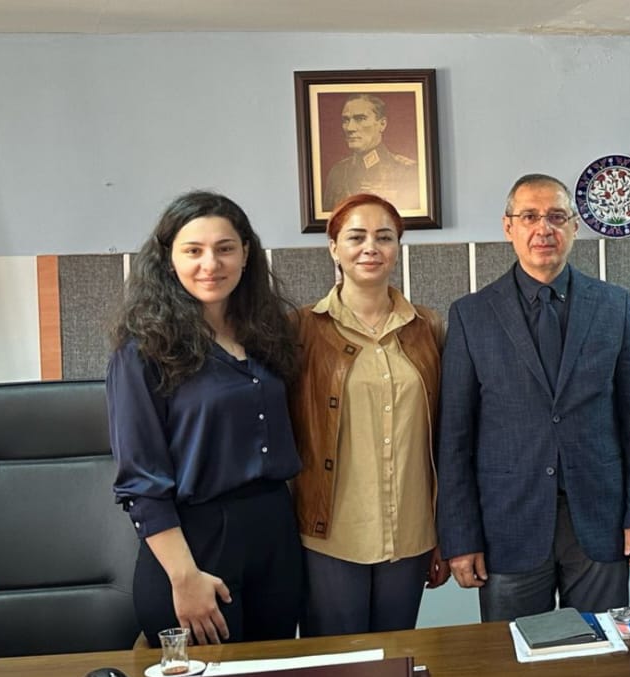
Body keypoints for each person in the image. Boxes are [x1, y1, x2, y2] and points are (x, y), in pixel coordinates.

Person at [437, 173, 630, 622]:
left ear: (575, 227)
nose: (544, 228)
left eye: (557, 216)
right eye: (530, 216)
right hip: (508, 525)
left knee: (603, 651)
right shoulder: (471, 315)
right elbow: (455, 438)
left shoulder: (614, 305)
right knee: (514, 656)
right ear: (508, 227)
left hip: (600, 520)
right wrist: (460, 537)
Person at [106, 191, 304, 647]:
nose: (210, 264)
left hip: (274, 533)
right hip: (194, 543)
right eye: (193, 250)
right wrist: (184, 577)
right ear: (168, 258)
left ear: (246, 254)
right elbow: (140, 481)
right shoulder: (142, 351)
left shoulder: (269, 334)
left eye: (225, 248)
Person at [290, 193, 448, 636]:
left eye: (384, 237)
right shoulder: (300, 329)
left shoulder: (428, 327)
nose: (370, 248)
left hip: (411, 533)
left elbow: (446, 435)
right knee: (336, 664)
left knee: (396, 658)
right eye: (356, 237)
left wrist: (445, 531)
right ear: (333, 247)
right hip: (330, 535)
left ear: (397, 247)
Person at [322, 94, 418, 212]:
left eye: (360, 118)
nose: (350, 128)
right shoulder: (337, 172)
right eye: (346, 120)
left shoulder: (407, 170)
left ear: (382, 124)